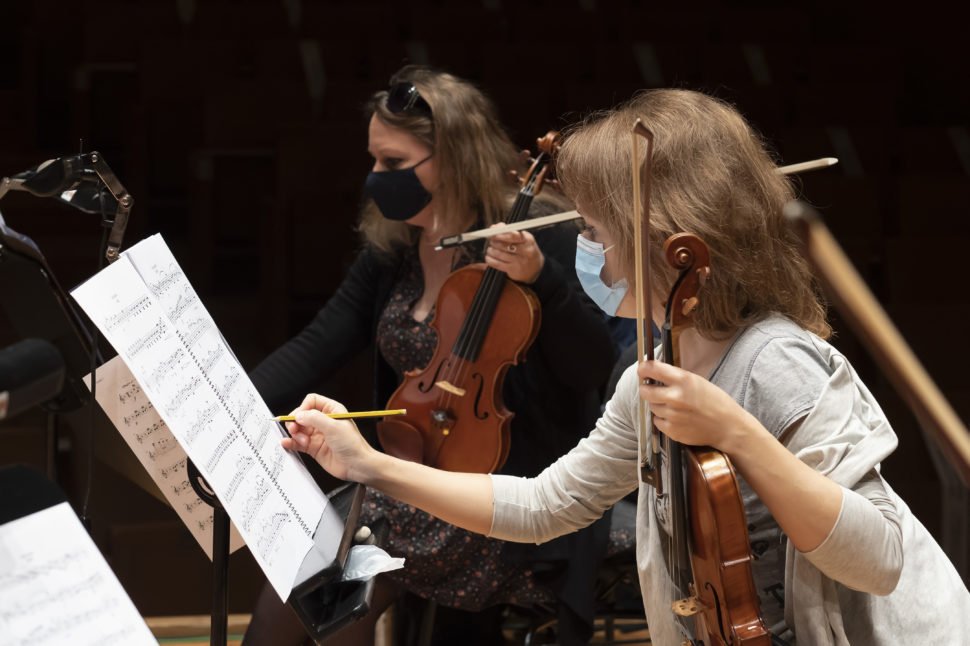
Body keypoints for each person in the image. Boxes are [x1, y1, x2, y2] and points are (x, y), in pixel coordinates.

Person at [278, 88, 970, 645]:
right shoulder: (655, 367)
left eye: (596, 230)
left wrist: (738, 432)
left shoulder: (775, 360)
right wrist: (367, 463)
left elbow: (878, 559)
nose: (586, 250)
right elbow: (548, 504)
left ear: (665, 235)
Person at [241, 65, 618, 645]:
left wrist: (542, 279)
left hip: (505, 492)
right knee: (304, 574)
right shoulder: (394, 250)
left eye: (393, 163)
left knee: (340, 588)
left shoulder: (542, 235)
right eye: (373, 161)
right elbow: (319, 343)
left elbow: (593, 366)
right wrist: (239, 408)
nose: (375, 178)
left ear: (456, 158)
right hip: (410, 470)